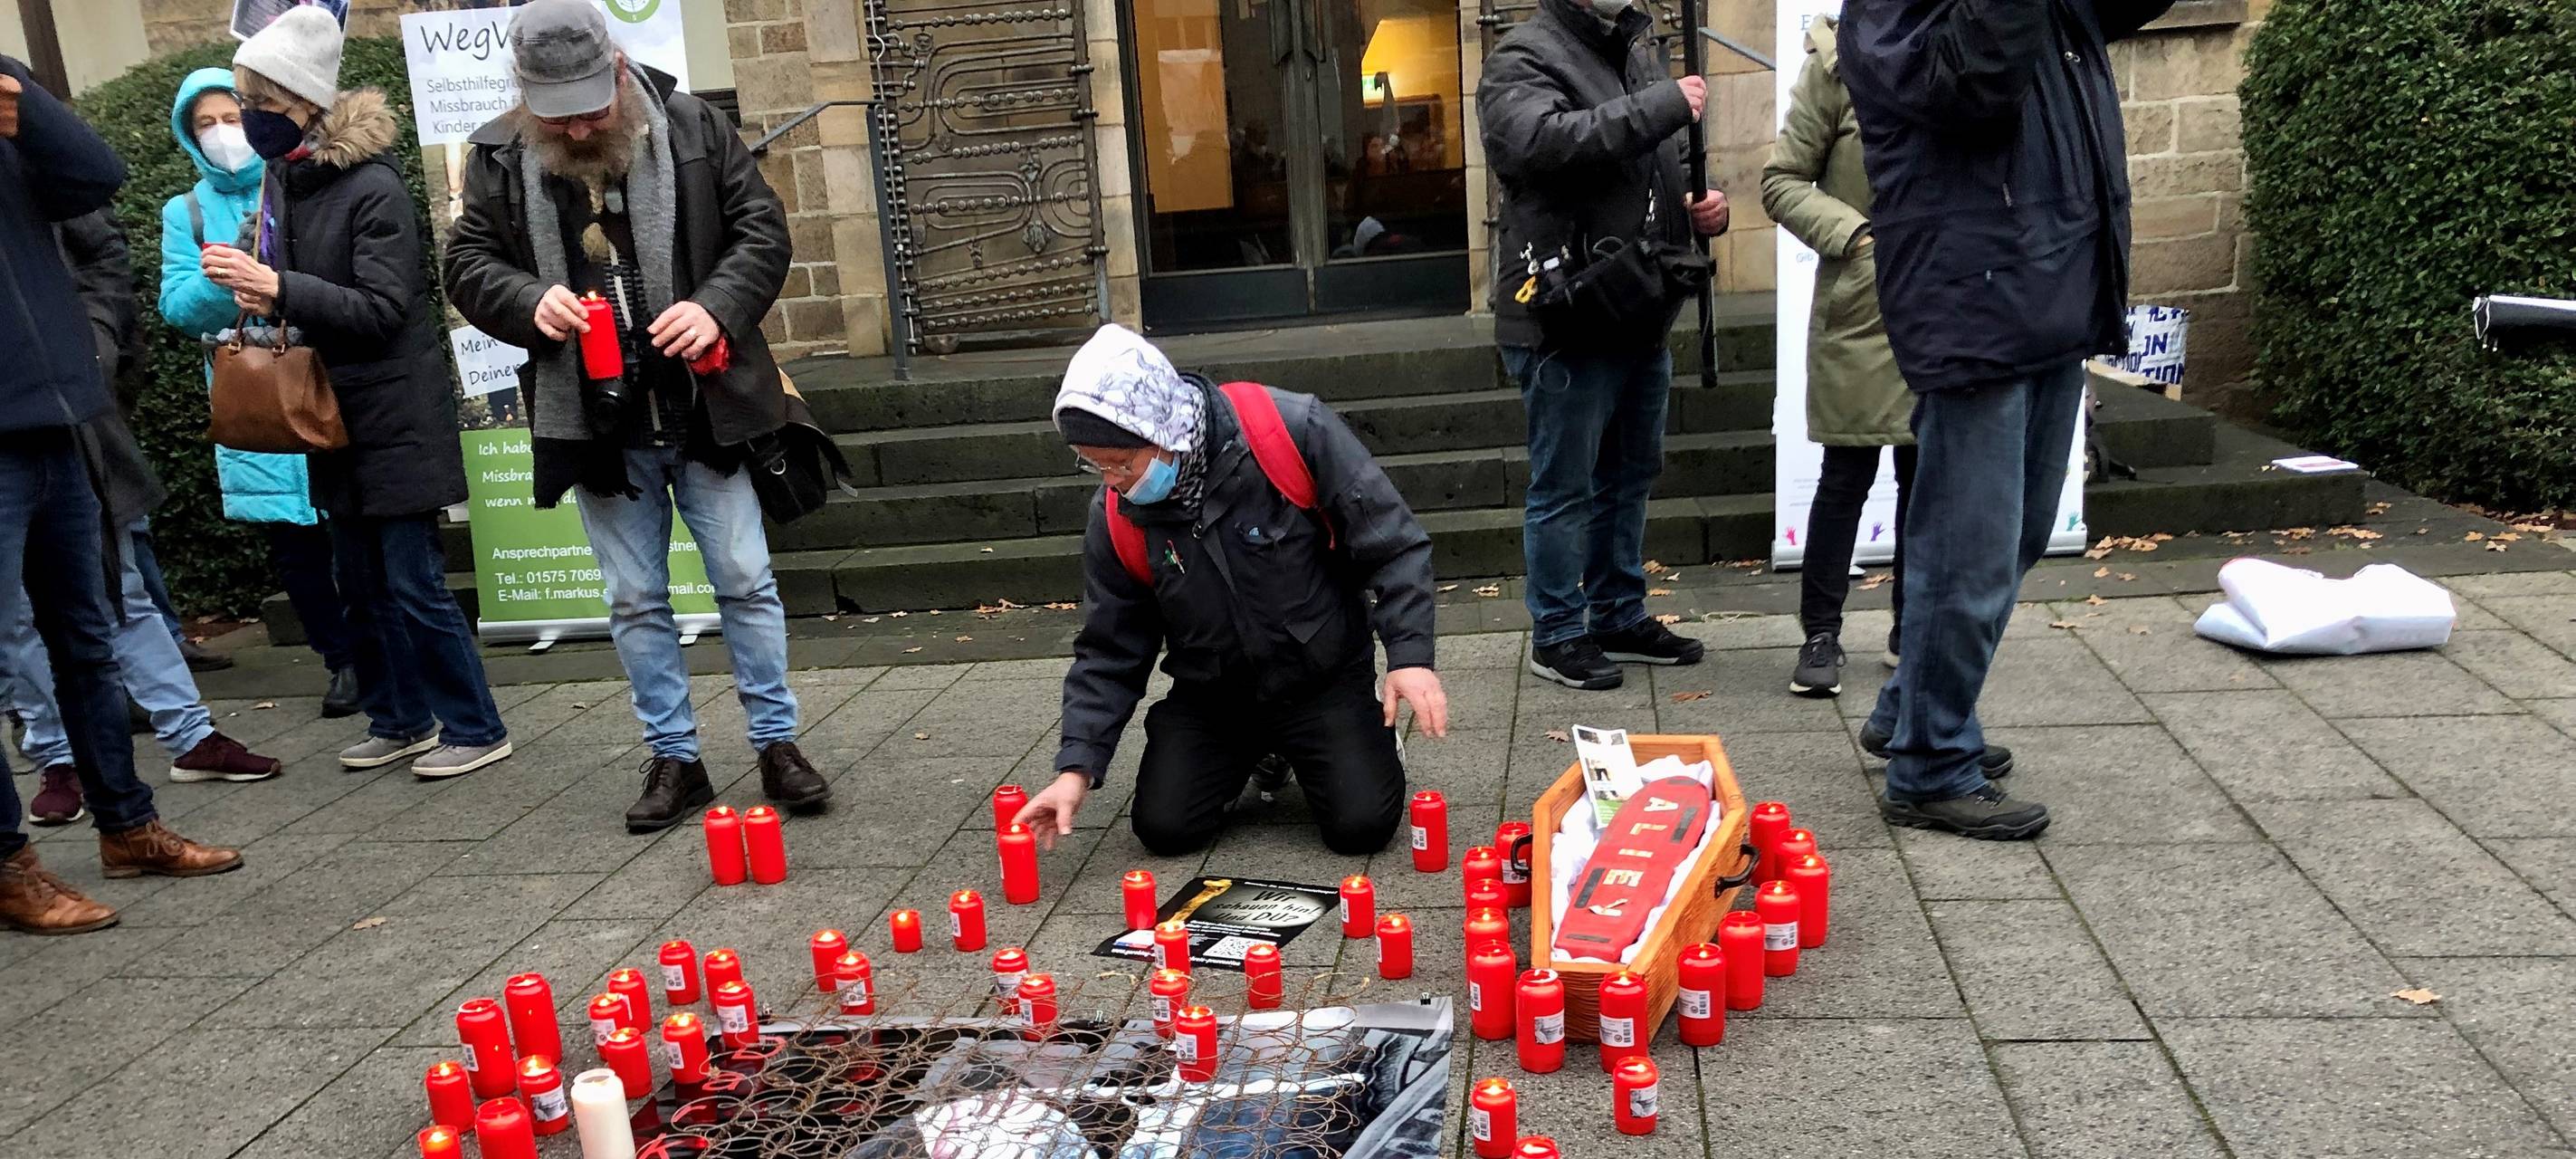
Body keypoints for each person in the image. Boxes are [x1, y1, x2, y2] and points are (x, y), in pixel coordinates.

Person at [444, 0, 820, 830]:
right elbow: (467, 263)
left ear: (617, 69)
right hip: (595, 418)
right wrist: (524, 297)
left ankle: (777, 744)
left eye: (589, 107)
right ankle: (675, 758)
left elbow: (762, 230)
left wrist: (717, 307)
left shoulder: (692, 124)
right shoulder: (499, 154)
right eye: (557, 114)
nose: (577, 129)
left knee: (746, 579)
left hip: (705, 405)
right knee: (636, 597)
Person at [1837, 0, 2173, 839]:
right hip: (1975, 296)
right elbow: (1973, 83)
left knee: (2014, 534)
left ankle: (1911, 710)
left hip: (2046, 287)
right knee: (1969, 550)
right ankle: (1929, 766)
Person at [210, 8, 512, 780]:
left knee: (414, 584)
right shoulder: (287, 181)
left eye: (266, 106)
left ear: (310, 103)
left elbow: (382, 310)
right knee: (361, 584)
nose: (252, 122)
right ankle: (399, 718)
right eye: (249, 105)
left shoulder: (373, 187)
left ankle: (475, 725)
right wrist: (259, 281)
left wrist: (280, 284)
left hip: (394, 414)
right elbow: (304, 296)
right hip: (329, 413)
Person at [1016, 325, 1449, 857]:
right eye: (1095, 465)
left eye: (1122, 464)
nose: (1112, 480)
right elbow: (1110, 646)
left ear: (1165, 429)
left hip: (1319, 678)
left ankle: (1360, 746)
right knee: (1163, 829)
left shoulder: (1290, 430)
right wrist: (1076, 768)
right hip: (1214, 695)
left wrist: (1410, 658)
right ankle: (1258, 755)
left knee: (1361, 827)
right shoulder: (1114, 516)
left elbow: (1392, 543)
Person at [0, 55, 243, 937]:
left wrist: (22, 98)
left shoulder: (10, 107)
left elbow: (96, 178)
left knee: (88, 635)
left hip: (59, 419)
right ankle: (8, 863)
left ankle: (127, 823)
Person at [1479, 0, 1732, 692]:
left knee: (1629, 475)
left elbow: (1664, 157)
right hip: (1565, 314)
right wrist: (1659, 106)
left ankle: (1618, 613)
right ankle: (1558, 632)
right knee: (1565, 486)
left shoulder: (1635, 52)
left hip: (1637, 306)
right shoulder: (1522, 56)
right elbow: (1537, 143)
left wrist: (1704, 204)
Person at [12, 210, 285, 827]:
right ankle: (57, 760)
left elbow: (105, 270)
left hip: (81, 427)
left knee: (125, 594)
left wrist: (95, 363)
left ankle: (190, 737)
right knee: (18, 621)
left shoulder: (41, 174)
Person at [158, 66, 359, 717]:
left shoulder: (300, 179)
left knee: (353, 527)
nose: (222, 134)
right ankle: (342, 661)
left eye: (230, 117)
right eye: (205, 124)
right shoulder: (184, 212)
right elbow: (177, 309)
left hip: (320, 374)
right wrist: (229, 269)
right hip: (255, 390)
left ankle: (384, 650)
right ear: (189, 136)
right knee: (292, 542)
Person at [1760, 14, 1918, 698]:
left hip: (1948, 296)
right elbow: (1782, 179)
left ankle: (1913, 629)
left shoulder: (1962, 47)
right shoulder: (1834, 64)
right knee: (1847, 471)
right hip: (1866, 300)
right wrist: (1857, 240)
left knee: (1929, 478)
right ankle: (1821, 632)